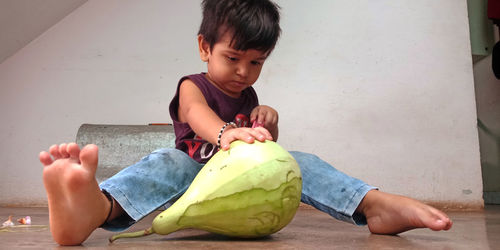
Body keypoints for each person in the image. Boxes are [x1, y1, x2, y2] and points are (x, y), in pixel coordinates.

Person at [38, 0, 452, 246]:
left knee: (300, 160)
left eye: (256, 63)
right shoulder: (192, 85)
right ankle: (95, 207)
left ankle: (370, 204)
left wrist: (268, 125)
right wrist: (224, 133)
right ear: (205, 47)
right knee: (164, 162)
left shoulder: (249, 95)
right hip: (194, 173)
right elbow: (196, 115)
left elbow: (266, 154)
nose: (243, 72)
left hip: (237, 185)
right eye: (233, 58)